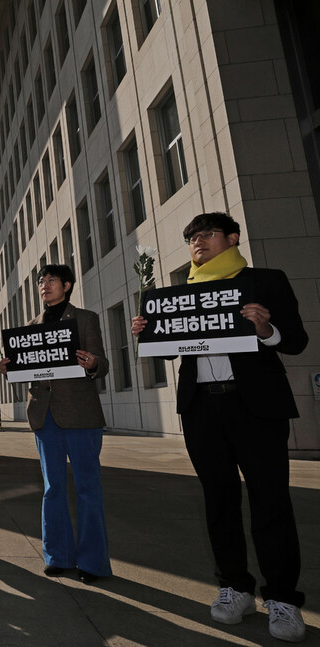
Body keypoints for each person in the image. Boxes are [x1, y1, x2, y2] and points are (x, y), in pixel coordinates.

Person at [131, 212, 308, 642]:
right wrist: (148, 332)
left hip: (257, 408)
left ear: (231, 238)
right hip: (201, 409)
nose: (197, 242)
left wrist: (266, 328)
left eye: (207, 234)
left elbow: (297, 340)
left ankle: (282, 598)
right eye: (191, 237)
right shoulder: (178, 295)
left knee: (270, 501)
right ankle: (234, 587)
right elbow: (170, 352)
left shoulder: (266, 280)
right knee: (219, 500)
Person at [0, 264, 111, 584]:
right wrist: (11, 370)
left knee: (88, 489)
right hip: (44, 416)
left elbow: (101, 363)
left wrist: (92, 364)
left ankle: (93, 563)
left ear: (67, 285)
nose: (44, 285)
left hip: (80, 415)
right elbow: (29, 372)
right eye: (40, 282)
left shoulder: (86, 319)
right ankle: (57, 556)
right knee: (53, 489)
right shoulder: (30, 327)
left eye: (50, 280)